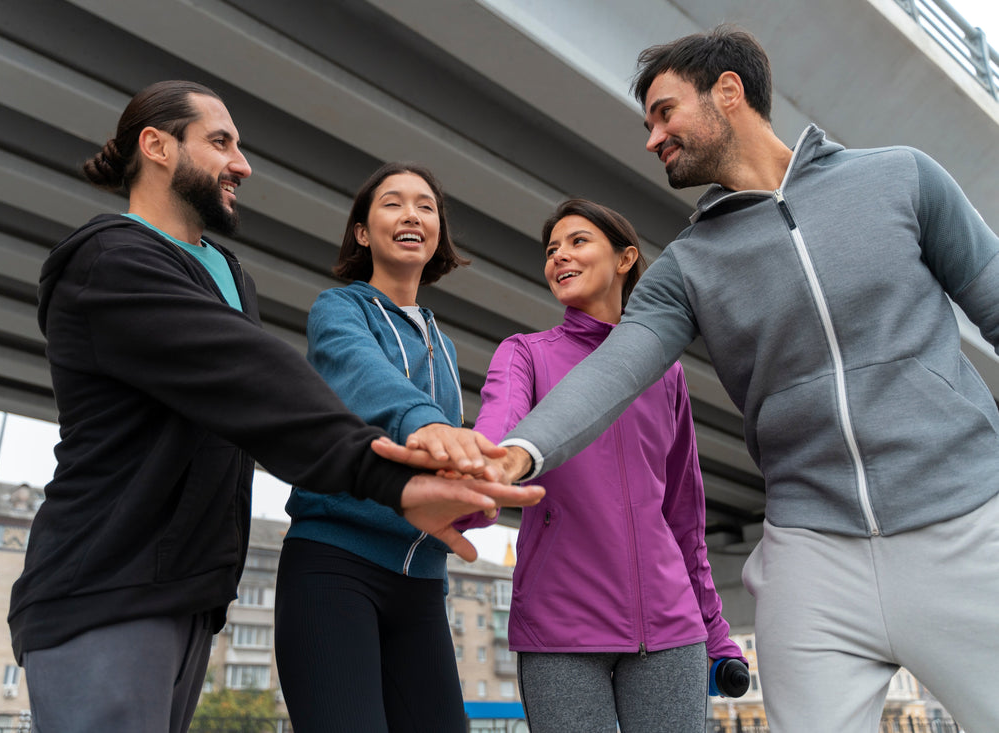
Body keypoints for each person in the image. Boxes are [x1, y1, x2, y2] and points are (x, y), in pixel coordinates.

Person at [377, 26, 999, 733]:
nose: (652, 138)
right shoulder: (688, 266)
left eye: (665, 113)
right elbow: (611, 371)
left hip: (968, 521)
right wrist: (515, 454)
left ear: (727, 93)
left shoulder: (902, 178)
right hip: (812, 552)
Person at [7, 82, 542, 733]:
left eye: (427, 205)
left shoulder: (229, 273)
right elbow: (258, 381)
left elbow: (252, 414)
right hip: (105, 583)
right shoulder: (112, 258)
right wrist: (401, 469)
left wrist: (465, 478)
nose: (243, 164)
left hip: (189, 588)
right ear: (156, 146)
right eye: (221, 142)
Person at [473, 198, 744, 732]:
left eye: (577, 242)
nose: (559, 257)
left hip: (671, 630)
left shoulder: (666, 374)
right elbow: (499, 427)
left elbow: (684, 518)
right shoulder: (525, 353)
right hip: (560, 628)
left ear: (625, 259)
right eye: (551, 250)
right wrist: (483, 465)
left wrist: (716, 632)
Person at [275, 162, 496, 733]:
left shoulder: (441, 341)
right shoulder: (339, 309)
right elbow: (363, 375)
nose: (412, 216)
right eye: (392, 203)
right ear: (362, 231)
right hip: (335, 569)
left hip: (423, 582)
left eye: (426, 206)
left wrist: (471, 489)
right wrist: (424, 423)